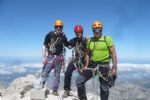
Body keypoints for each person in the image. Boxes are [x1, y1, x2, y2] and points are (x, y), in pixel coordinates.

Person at [76, 21, 117, 100]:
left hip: (104, 65)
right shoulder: (90, 41)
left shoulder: (107, 39)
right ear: (93, 30)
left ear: (101, 30)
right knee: (79, 81)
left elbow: (113, 54)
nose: (97, 31)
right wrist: (86, 66)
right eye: (95, 30)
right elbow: (88, 54)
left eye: (99, 30)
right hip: (92, 64)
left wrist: (114, 68)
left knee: (103, 88)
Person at [41, 19, 69, 95]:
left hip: (59, 58)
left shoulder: (63, 36)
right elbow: (44, 46)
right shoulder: (49, 35)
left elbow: (68, 45)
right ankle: (41, 85)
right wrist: (43, 57)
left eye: (60, 26)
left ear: (62, 27)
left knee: (57, 75)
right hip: (50, 57)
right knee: (45, 72)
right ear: (55, 27)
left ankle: (55, 90)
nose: (58, 28)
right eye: (57, 26)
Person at [62, 25, 88, 98]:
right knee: (67, 73)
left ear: (82, 32)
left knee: (82, 79)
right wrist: (64, 38)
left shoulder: (86, 40)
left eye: (79, 32)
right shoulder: (74, 40)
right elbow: (68, 45)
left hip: (83, 62)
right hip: (75, 61)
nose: (78, 33)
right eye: (77, 32)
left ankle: (82, 96)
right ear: (75, 33)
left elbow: (90, 52)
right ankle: (67, 90)